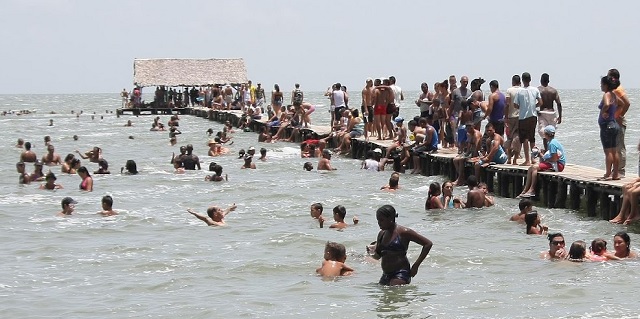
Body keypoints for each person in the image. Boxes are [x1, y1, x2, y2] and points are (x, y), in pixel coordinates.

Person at [367, 205, 433, 286]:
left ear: (391, 218)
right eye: (378, 220)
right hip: (386, 275)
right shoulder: (382, 234)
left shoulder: (404, 232)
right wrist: (371, 251)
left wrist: (416, 266)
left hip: (401, 273)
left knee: (394, 294)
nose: (379, 223)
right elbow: (378, 256)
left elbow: (428, 244)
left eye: (381, 220)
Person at [517, 125, 566, 198]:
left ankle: (532, 190)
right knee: (530, 168)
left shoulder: (552, 143)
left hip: (558, 165)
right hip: (555, 163)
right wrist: (541, 152)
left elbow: (555, 158)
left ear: (546, 134)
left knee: (534, 168)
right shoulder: (552, 142)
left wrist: (542, 156)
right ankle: (525, 190)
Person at [514, 72, 542, 166]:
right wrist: (534, 106)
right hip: (533, 116)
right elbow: (540, 102)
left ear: (522, 80)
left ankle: (527, 160)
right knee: (532, 138)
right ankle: (533, 159)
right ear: (530, 79)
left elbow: (515, 105)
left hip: (523, 117)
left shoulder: (519, 91)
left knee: (524, 139)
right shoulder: (535, 90)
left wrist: (522, 108)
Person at [597, 75, 621, 181]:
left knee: (608, 151)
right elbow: (623, 104)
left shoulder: (607, 94)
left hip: (607, 126)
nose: (600, 86)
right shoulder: (614, 95)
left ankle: (607, 173)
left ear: (606, 85)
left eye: (601, 84)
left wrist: (603, 112)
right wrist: (615, 115)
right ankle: (615, 174)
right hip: (614, 124)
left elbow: (606, 104)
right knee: (614, 151)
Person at [608, 69, 631, 176]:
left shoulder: (617, 89)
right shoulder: (614, 89)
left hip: (618, 121)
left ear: (613, 78)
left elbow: (627, 103)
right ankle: (615, 170)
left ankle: (620, 170)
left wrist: (620, 115)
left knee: (619, 146)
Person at [537, 73, 562, 151]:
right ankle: (552, 150)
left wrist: (535, 111)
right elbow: (559, 103)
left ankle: (547, 150)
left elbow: (531, 102)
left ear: (541, 80)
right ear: (548, 81)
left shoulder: (538, 90)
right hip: (552, 113)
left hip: (542, 112)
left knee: (544, 134)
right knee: (551, 133)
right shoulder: (553, 91)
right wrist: (560, 116)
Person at [504, 75, 522, 165]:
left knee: (509, 137)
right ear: (520, 82)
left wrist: (506, 116)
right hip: (521, 117)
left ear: (512, 81)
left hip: (511, 116)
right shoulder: (522, 90)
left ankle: (509, 158)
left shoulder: (509, 90)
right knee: (518, 137)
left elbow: (507, 104)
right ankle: (515, 159)